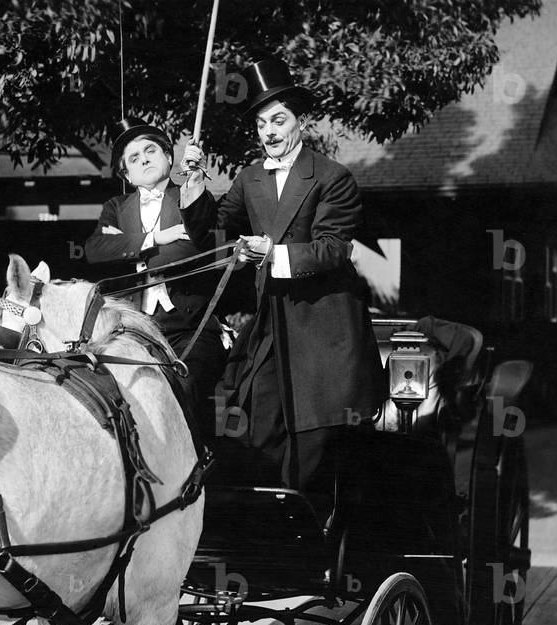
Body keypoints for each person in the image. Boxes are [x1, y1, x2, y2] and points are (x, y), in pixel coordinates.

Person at [179, 58, 382, 498]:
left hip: (323, 328)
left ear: (300, 122)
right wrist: (193, 180)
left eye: (278, 120)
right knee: (254, 422)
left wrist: (273, 254)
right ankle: (275, 528)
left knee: (313, 441)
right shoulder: (250, 177)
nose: (269, 131)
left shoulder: (333, 177)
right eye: (261, 124)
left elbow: (333, 249)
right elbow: (212, 231)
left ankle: (310, 540)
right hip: (271, 324)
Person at [85, 117, 226, 430]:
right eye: (133, 158)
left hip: (190, 327)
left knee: (181, 391)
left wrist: (196, 182)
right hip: (133, 327)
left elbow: (196, 242)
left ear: (168, 157)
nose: (144, 159)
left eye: (150, 151)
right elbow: (96, 251)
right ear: (127, 174)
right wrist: (156, 239)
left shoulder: (188, 197)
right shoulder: (116, 207)